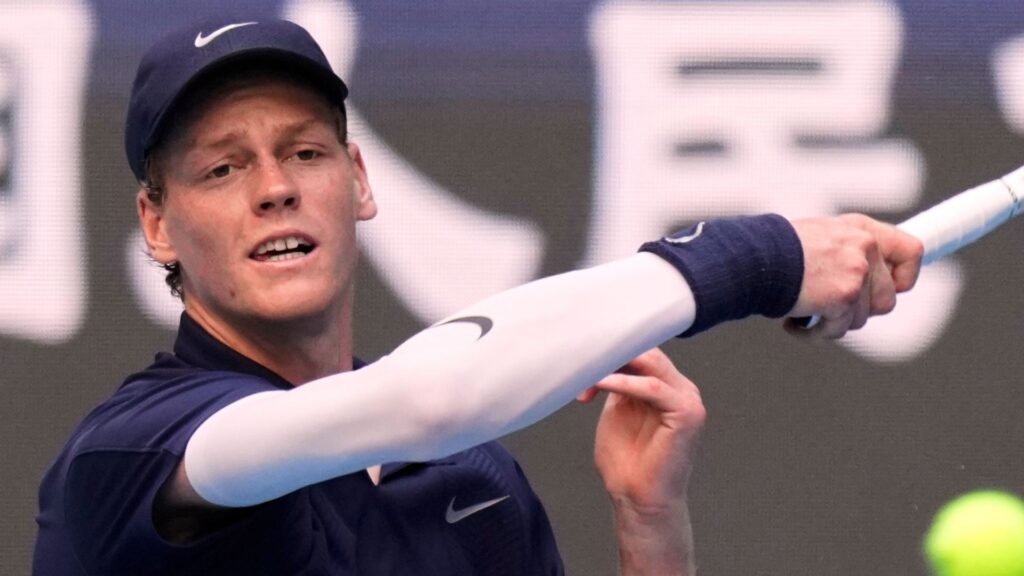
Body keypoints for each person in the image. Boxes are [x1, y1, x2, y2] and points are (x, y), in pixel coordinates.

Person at [32, 16, 923, 576]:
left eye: (304, 153)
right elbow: (432, 398)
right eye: (223, 169)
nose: (274, 189)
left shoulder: (473, 479)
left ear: (358, 181)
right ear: (157, 224)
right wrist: (754, 259)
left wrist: (649, 530)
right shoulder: (134, 453)